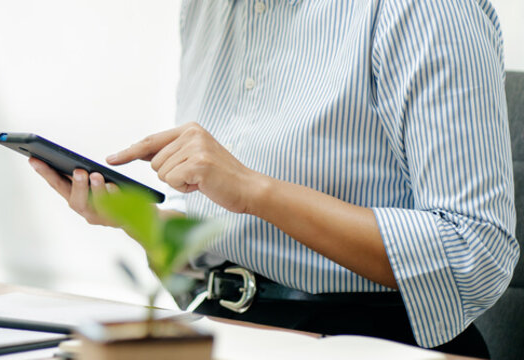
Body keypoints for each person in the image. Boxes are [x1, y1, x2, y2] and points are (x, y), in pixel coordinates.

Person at [30, 0, 518, 358]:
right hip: (223, 327)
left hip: (365, 340)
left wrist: (254, 191)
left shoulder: (424, 12)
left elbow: (473, 251)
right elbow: (234, 256)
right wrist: (140, 221)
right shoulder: (205, 10)